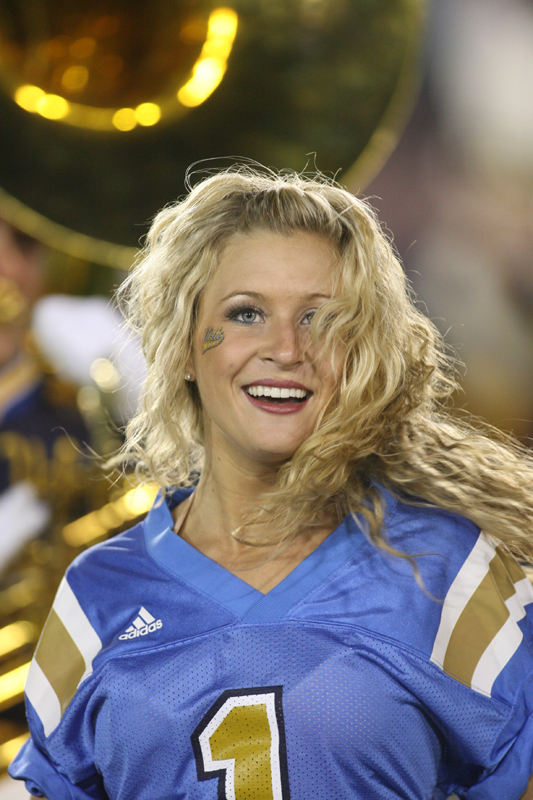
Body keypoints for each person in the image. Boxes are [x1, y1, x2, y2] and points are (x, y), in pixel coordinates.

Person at [8, 167, 533, 800]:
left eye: (320, 318)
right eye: (247, 313)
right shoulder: (97, 597)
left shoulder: (452, 573)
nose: (286, 348)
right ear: (183, 345)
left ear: (361, 351)